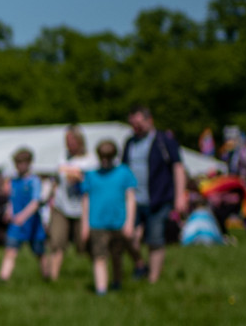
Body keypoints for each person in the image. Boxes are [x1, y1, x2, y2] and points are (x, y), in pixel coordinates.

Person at [121, 105, 187, 283]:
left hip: (159, 198)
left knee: (155, 239)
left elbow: (178, 167)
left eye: (139, 123)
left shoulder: (164, 140)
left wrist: (180, 195)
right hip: (133, 200)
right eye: (133, 124)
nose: (136, 127)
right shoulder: (129, 143)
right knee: (125, 236)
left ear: (149, 120)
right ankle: (140, 264)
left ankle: (153, 279)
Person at [80, 138, 139, 295]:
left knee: (116, 255)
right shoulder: (91, 175)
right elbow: (85, 200)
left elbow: (131, 198)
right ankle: (101, 290)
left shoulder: (124, 172)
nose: (105, 161)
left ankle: (117, 282)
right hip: (97, 223)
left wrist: (129, 222)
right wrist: (84, 224)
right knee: (99, 256)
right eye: (102, 158)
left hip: (119, 222)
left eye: (108, 157)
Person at [45, 126, 90, 284]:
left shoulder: (90, 160)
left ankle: (96, 276)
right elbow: (55, 180)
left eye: (72, 141)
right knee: (56, 242)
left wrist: (80, 179)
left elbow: (93, 183)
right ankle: (53, 279)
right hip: (61, 206)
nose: (69, 145)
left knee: (85, 244)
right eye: (67, 141)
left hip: (82, 208)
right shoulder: (62, 158)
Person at [0, 148, 43, 281]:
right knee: (10, 251)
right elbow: (11, 201)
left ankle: (47, 277)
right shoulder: (13, 181)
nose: (20, 166)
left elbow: (35, 203)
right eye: (18, 163)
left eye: (23, 163)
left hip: (33, 224)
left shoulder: (34, 181)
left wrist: (22, 216)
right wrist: (9, 212)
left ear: (29, 163)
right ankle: (3, 279)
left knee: (39, 253)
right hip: (16, 224)